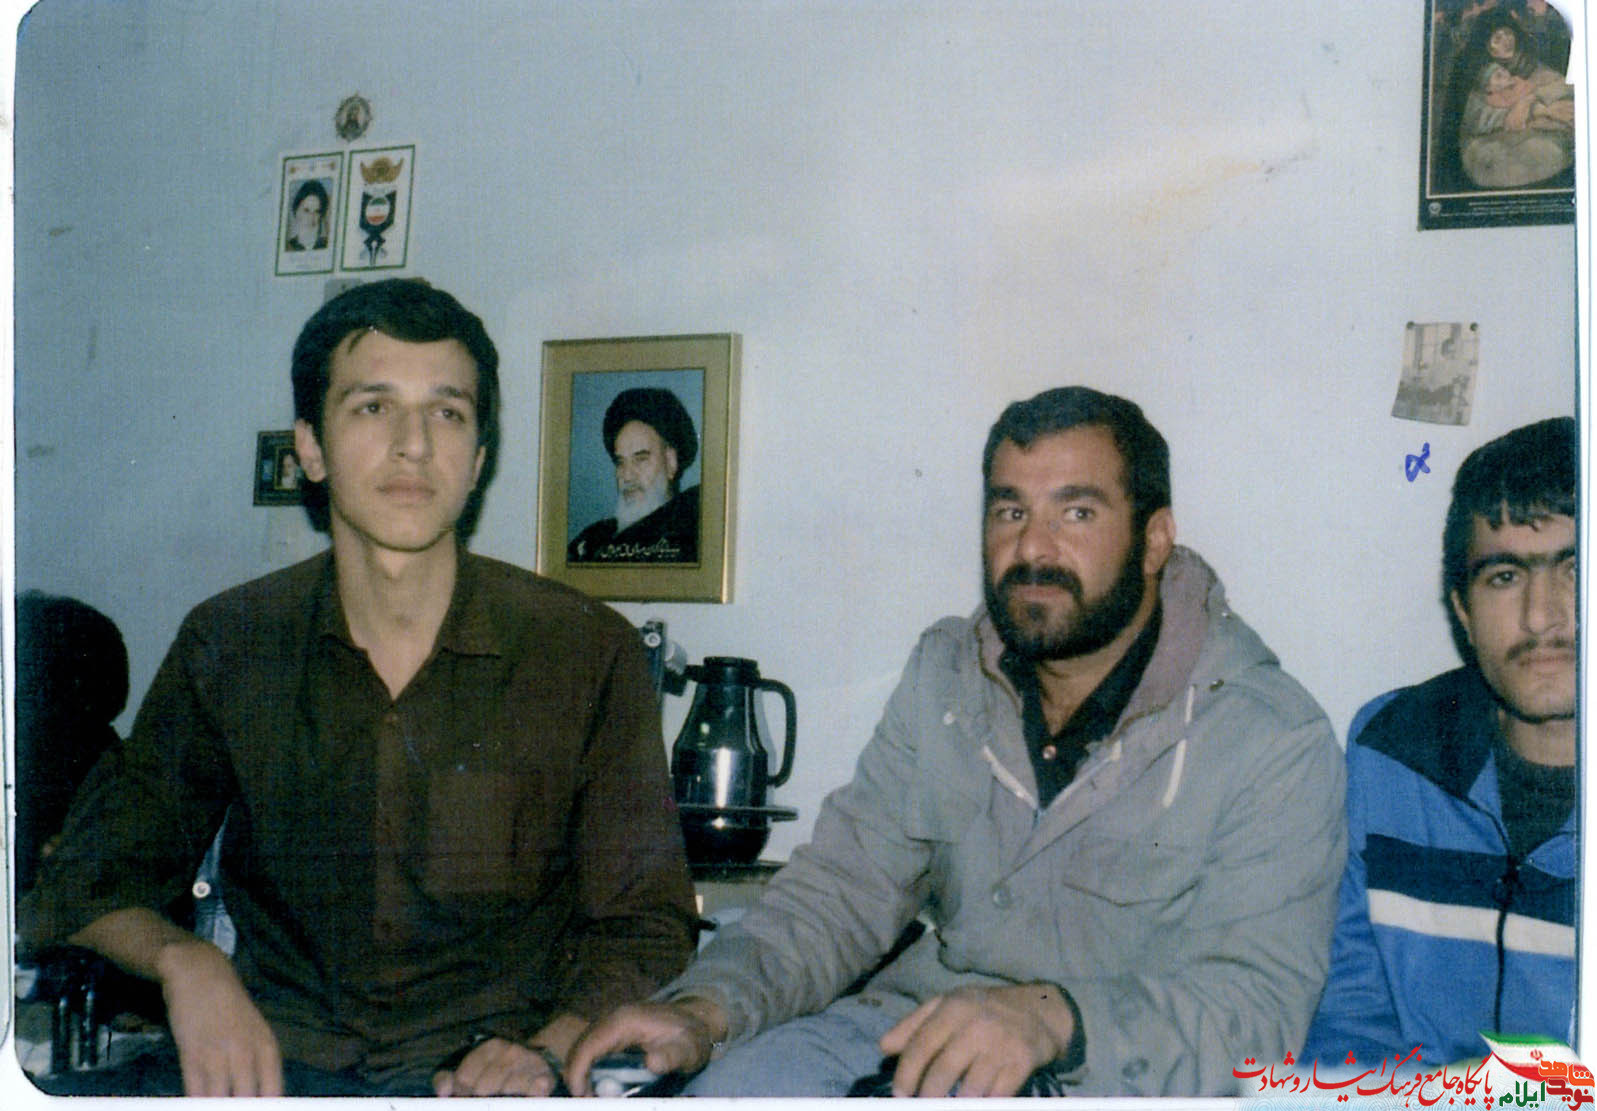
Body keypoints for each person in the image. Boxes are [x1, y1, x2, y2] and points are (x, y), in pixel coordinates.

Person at [19, 279, 698, 1097]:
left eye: (447, 412)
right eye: (373, 407)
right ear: (310, 448)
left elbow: (645, 920)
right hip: (266, 1068)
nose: (413, 444)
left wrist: (550, 1048)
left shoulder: (585, 651)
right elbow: (87, 879)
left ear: (479, 459)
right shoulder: (231, 641)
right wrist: (187, 961)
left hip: (489, 1075)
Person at [566, 386, 1346, 1098]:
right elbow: (841, 891)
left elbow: (1254, 1011)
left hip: (1107, 1072)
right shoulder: (946, 674)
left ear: (1153, 541)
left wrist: (1049, 1018)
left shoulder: (1269, 734)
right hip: (909, 1032)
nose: (1032, 549)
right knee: (728, 1086)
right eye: (1009, 511)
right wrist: (703, 1009)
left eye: (1075, 513)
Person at [1302, 417, 1576, 1070]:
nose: (1541, 615)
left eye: (1577, 568)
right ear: (1462, 610)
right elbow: (1349, 1022)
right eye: (1504, 576)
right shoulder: (1392, 751)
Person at [566, 387, 701, 564]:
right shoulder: (592, 540)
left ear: (671, 462)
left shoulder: (695, 536)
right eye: (620, 462)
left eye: (640, 459)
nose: (627, 476)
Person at [284, 179, 330, 251]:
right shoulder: (288, 247)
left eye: (317, 211)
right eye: (306, 211)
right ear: (296, 212)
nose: (311, 218)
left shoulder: (327, 245)